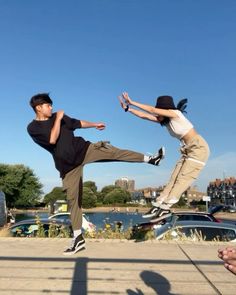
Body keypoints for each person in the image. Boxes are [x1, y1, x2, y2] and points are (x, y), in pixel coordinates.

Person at [27, 93, 165, 255]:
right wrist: (57, 119)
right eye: (48, 106)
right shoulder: (33, 128)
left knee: (113, 152)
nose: (51, 108)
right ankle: (78, 239)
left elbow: (78, 123)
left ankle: (151, 159)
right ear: (38, 108)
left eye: (51, 105)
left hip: (84, 150)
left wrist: (94, 125)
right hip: (67, 165)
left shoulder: (61, 117)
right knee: (73, 200)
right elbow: (52, 139)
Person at [119, 92, 210, 221]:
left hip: (199, 148)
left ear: (165, 110)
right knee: (174, 177)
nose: (156, 115)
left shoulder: (175, 114)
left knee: (183, 179)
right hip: (187, 150)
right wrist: (128, 109)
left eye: (159, 112)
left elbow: (150, 109)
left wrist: (132, 102)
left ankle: (166, 207)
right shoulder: (166, 121)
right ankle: (159, 204)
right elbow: (144, 115)